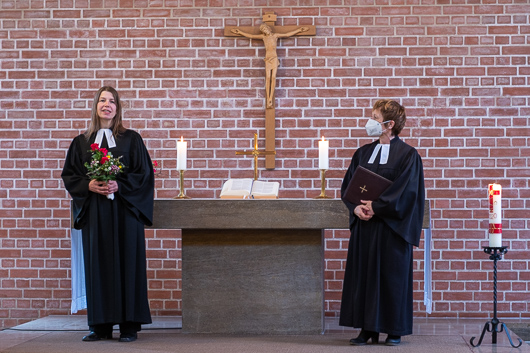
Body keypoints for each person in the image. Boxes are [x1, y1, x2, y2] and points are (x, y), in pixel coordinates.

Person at [61, 86, 154, 342]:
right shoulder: (81, 142)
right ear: (96, 106)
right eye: (102, 100)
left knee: (128, 264)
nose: (107, 105)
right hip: (97, 213)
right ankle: (100, 326)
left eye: (112, 101)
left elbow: (144, 174)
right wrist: (88, 185)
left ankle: (129, 326)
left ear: (117, 107)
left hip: (125, 211)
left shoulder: (132, 139)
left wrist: (119, 185)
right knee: (98, 265)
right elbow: (70, 175)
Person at [339, 99, 425, 346]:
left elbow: (407, 192)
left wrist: (376, 207)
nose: (370, 122)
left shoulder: (408, 155)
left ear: (389, 124)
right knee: (365, 276)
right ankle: (368, 330)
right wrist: (356, 208)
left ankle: (394, 329)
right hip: (365, 227)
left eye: (374, 118)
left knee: (392, 277)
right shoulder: (363, 153)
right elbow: (348, 187)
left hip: (391, 228)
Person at [231, 23, 308, 108]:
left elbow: (286, 34)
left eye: (265, 29)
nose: (265, 31)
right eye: (263, 30)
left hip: (274, 58)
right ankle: (268, 98)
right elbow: (251, 36)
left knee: (273, 77)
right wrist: (240, 32)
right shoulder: (264, 37)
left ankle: (271, 97)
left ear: (268, 29)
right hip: (267, 59)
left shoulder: (275, 36)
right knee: (268, 77)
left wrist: (299, 30)